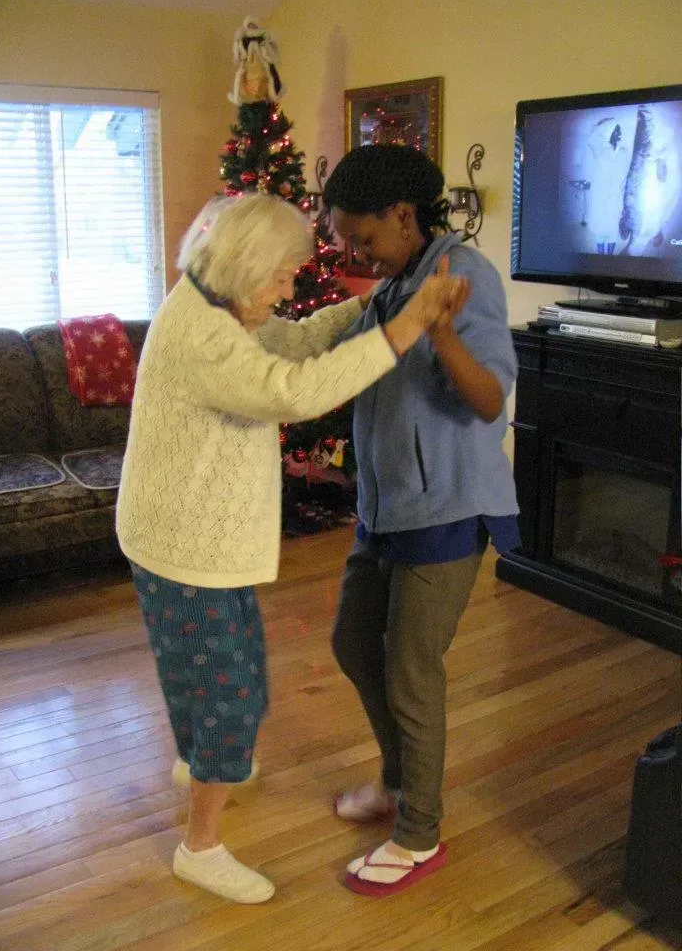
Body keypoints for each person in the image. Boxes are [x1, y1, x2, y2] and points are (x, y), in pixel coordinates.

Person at [115, 191, 468, 905]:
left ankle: (203, 762)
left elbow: (289, 341)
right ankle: (201, 846)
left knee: (214, 672)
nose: (287, 290)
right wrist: (399, 329)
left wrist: (363, 313)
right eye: (281, 276)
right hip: (185, 549)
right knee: (229, 693)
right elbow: (294, 389)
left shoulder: (210, 305)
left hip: (187, 544)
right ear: (245, 267)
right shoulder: (202, 334)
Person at [321, 144, 520, 896]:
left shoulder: (464, 278)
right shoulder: (392, 286)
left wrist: (439, 333)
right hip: (384, 508)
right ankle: (400, 781)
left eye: (361, 237)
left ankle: (419, 834)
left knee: (411, 668)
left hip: (447, 509)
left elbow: (489, 401)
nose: (351, 251)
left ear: (404, 215)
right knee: (351, 641)